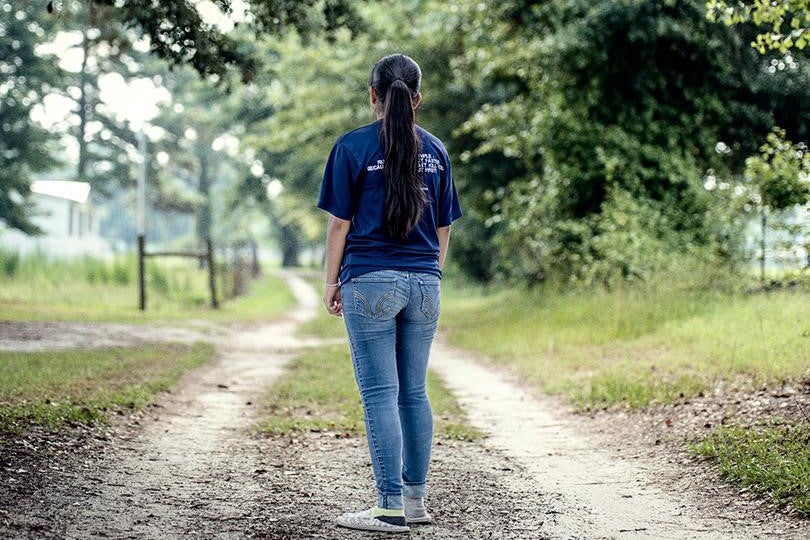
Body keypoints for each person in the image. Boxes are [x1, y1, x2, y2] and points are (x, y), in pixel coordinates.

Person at [317, 53, 462, 533]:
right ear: (417, 99)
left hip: (371, 281)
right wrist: (428, 275)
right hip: (425, 283)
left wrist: (330, 281)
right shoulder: (436, 151)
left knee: (381, 393)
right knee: (414, 392)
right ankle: (415, 502)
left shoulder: (353, 147)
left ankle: (388, 505)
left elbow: (340, 224)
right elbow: (443, 228)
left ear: (372, 95)